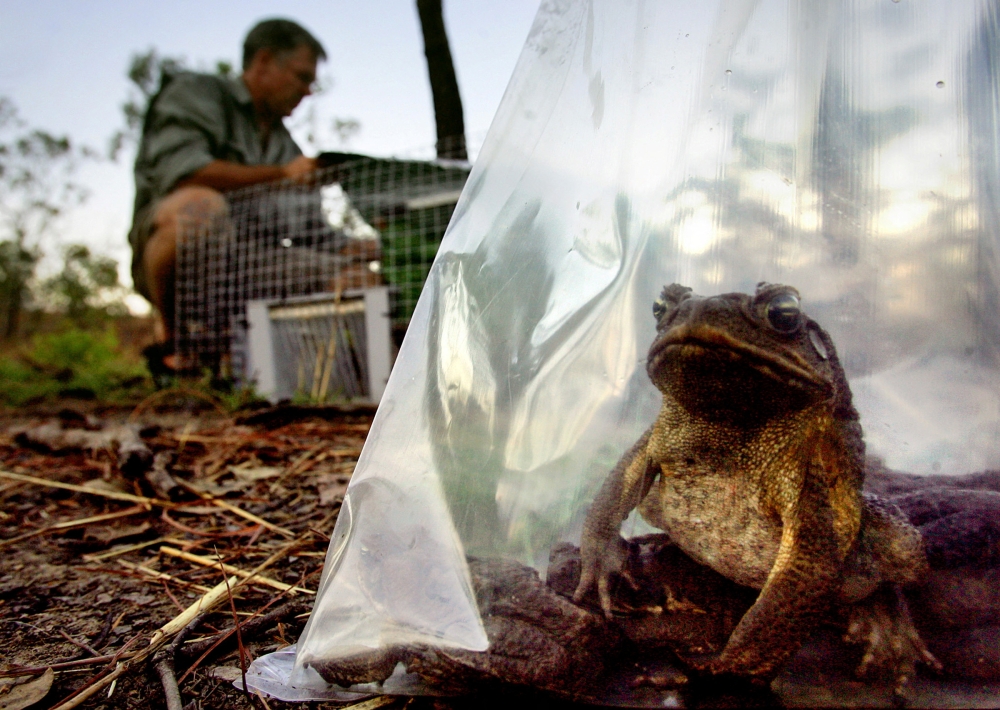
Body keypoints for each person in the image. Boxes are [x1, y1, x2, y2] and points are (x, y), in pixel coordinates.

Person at [129, 18, 325, 374]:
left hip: (252, 265)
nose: (307, 91)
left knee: (351, 274)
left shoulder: (288, 146)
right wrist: (282, 176)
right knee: (199, 208)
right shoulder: (196, 92)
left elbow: (316, 232)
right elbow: (183, 171)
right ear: (263, 61)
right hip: (181, 249)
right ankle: (175, 344)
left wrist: (365, 247)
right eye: (301, 77)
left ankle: (320, 375)